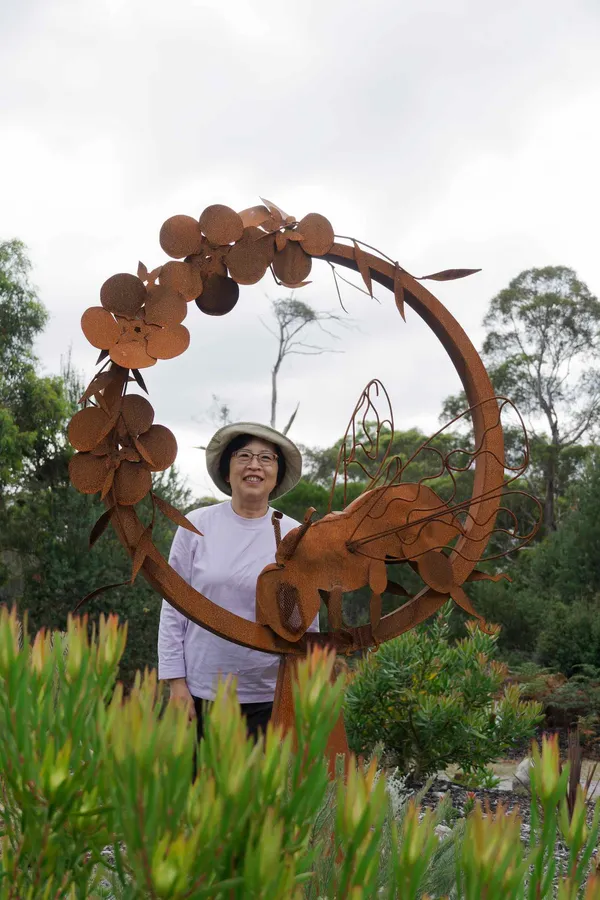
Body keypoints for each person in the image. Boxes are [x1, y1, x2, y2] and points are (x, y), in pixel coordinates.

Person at [157, 422, 316, 741]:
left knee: (262, 790)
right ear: (227, 472)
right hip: (201, 693)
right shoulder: (196, 525)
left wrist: (304, 688)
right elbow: (173, 608)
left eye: (266, 458)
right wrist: (176, 683)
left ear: (276, 475)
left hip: (269, 695)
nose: (254, 464)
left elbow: (307, 620)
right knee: (196, 788)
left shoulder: (295, 535)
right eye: (244, 455)